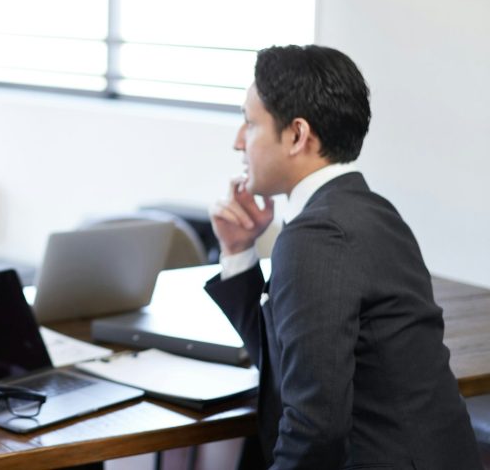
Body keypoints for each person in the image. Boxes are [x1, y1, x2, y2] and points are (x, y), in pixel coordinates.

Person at [206, 44, 481, 469]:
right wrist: (239, 251)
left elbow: (315, 427)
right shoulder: (369, 210)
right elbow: (292, 370)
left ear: (297, 135)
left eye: (249, 122)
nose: (237, 140)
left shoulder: (317, 235)